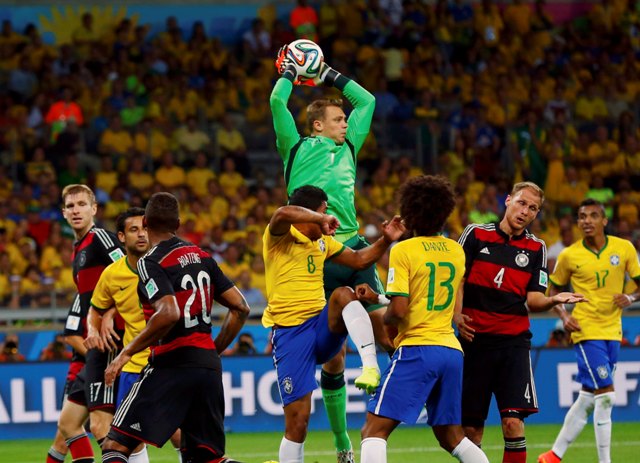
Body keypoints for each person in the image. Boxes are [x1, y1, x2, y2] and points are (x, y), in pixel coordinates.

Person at [272, 43, 387, 463]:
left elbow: (367, 100)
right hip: (316, 253)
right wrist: (289, 72)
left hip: (352, 244)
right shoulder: (295, 147)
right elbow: (275, 100)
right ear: (317, 125)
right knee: (334, 358)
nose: (346, 124)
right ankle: (343, 444)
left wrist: (325, 73)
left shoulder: (350, 146)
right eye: (338, 120)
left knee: (384, 331)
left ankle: (392, 400)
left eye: (345, 120)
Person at [100, 192, 250, 463]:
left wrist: (126, 352)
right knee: (206, 458)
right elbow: (241, 307)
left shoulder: (150, 262)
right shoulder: (202, 256)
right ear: (178, 223)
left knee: (114, 445)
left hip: (171, 365)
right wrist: (211, 351)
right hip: (207, 368)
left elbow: (168, 313)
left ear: (145, 222)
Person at [262, 185, 405, 463]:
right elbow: (281, 213)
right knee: (298, 422)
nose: (328, 219)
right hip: (290, 335)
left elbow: (360, 259)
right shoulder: (279, 237)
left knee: (342, 294)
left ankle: (369, 365)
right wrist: (319, 219)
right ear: (308, 215)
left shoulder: (323, 244)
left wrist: (386, 240)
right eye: (324, 211)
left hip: (319, 327)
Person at [360, 175, 489, 463]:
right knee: (451, 437)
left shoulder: (404, 250)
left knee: (373, 431)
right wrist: (380, 299)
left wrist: (384, 317)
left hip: (418, 349)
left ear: (409, 212)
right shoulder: (456, 251)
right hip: (451, 351)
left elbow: (401, 310)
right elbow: (426, 297)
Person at [456, 181, 586, 463]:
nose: (526, 211)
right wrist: (456, 314)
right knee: (471, 430)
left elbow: (534, 300)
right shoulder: (475, 234)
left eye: (533, 208)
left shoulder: (536, 248)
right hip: (473, 341)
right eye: (521, 203)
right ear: (507, 201)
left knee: (513, 424)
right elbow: (456, 279)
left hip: (512, 344)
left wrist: (553, 300)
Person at [538, 199, 640, 463]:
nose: (586, 221)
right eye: (582, 216)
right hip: (585, 329)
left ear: (604, 221)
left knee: (587, 397)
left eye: (593, 216)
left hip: (613, 330)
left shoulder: (624, 248)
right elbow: (551, 292)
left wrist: (630, 298)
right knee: (606, 395)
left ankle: (553, 455)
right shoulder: (570, 255)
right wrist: (563, 315)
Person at [54, 184, 125, 463]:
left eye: (82, 204)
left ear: (94, 209)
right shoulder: (79, 249)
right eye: (71, 206)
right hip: (94, 346)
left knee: (102, 426)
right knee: (69, 424)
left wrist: (109, 314)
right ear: (63, 213)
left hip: (111, 341)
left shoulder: (101, 239)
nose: (76, 211)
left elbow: (131, 271)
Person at [46, 294, 88, 463]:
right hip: (82, 374)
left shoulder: (121, 288)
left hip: (118, 371)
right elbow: (70, 335)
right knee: (64, 436)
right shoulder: (83, 296)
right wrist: (98, 359)